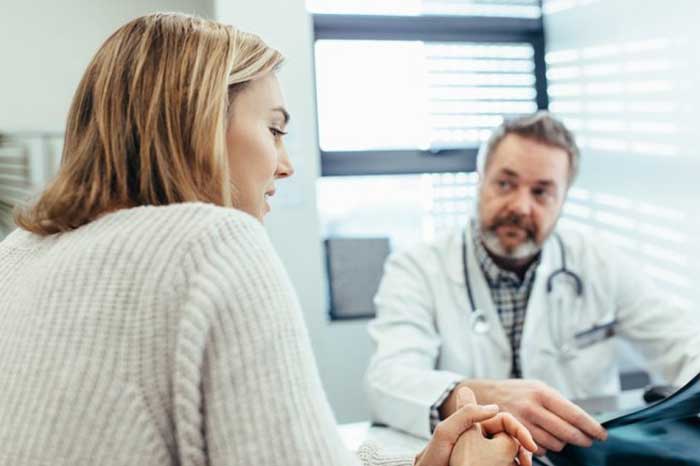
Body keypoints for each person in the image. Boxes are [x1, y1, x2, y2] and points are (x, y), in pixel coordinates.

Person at [0, 13, 537, 466]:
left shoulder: (16, 255)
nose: (285, 165)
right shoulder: (212, 244)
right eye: (275, 130)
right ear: (199, 125)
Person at [365, 112, 700, 455]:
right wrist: (487, 397)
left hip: (575, 458)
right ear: (480, 180)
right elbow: (388, 380)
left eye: (541, 192)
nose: (520, 206)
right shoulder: (417, 266)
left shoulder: (599, 261)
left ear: (563, 200)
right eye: (505, 184)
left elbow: (685, 343)